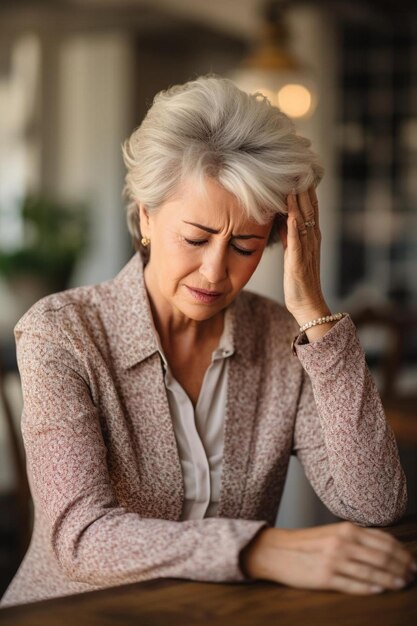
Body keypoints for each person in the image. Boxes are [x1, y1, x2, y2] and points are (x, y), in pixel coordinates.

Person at [0, 75, 414, 608]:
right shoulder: (62, 333)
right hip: (72, 614)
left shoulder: (284, 339)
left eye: (245, 245)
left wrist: (313, 311)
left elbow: (376, 502)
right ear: (146, 217)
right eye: (195, 238)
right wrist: (258, 549)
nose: (215, 272)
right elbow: (81, 537)